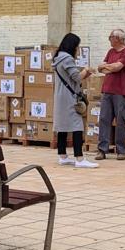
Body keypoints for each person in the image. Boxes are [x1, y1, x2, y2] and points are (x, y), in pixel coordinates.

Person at [52, 32, 99, 168]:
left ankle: (63, 156)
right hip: (69, 97)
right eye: (77, 46)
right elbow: (77, 77)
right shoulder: (67, 59)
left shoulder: (58, 57)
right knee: (77, 125)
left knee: (62, 126)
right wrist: (86, 70)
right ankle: (79, 158)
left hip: (60, 96)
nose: (77, 50)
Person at [94, 28, 125, 161]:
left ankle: (121, 150)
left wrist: (109, 67)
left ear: (117, 38)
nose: (109, 39)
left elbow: (117, 67)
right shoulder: (111, 51)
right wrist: (109, 67)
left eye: (110, 37)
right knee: (104, 119)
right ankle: (102, 150)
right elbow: (101, 68)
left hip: (122, 91)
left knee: (121, 121)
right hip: (107, 90)